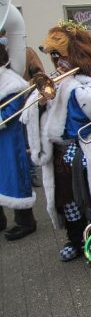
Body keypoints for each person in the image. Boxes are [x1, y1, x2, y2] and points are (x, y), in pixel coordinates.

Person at [21, 21, 91, 261]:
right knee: (66, 199)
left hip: (89, 148)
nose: (58, 62)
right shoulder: (56, 79)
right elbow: (29, 113)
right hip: (60, 151)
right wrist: (40, 102)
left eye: (62, 56)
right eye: (55, 57)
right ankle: (75, 238)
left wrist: (67, 85)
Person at [0, 42, 37, 240]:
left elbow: (11, 111)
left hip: (11, 138)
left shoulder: (12, 82)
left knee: (16, 176)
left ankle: (26, 222)